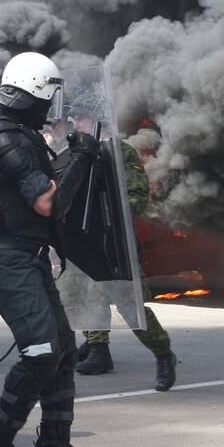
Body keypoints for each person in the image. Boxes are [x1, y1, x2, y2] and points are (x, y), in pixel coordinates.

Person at [0, 52, 105, 447]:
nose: (51, 107)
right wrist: (80, 159)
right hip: (7, 259)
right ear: (32, 96)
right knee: (41, 351)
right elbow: (47, 202)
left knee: (61, 349)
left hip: (26, 257)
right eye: (47, 97)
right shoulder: (7, 138)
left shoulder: (19, 134)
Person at [75, 128, 177, 391]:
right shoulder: (72, 153)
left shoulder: (118, 151)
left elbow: (138, 196)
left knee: (130, 306)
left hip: (114, 241)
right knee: (89, 296)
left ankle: (163, 353)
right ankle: (98, 349)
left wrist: (108, 214)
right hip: (85, 241)